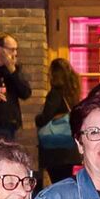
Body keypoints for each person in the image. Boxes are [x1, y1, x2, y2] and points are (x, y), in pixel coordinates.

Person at [36, 57, 81, 185]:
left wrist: (37, 118)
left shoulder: (55, 93)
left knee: (58, 184)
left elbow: (45, 117)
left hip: (56, 151)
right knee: (66, 183)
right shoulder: (72, 93)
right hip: (69, 148)